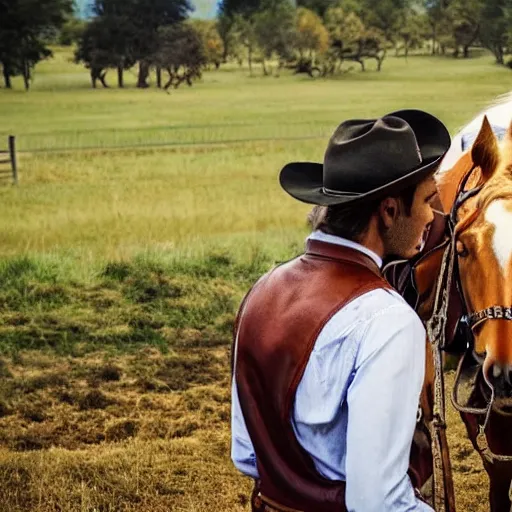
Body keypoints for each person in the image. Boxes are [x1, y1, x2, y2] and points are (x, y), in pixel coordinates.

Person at [230, 109, 451, 512]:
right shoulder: (388, 321)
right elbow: (378, 503)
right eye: (426, 200)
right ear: (388, 210)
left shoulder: (261, 291)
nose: (431, 217)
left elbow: (246, 455)